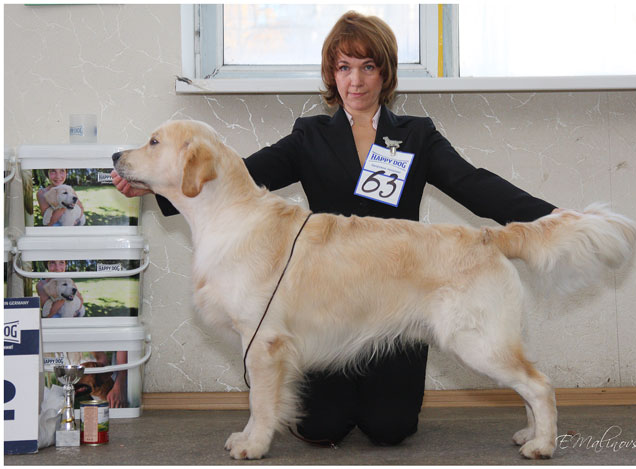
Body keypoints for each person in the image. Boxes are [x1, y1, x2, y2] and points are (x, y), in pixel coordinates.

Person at [112, 11, 557, 448]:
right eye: (344, 67)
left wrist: (548, 219)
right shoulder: (310, 135)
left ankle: (534, 409)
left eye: (368, 67)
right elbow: (236, 176)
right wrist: (154, 186)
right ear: (331, 74)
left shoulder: (416, 135)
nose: (355, 81)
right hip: (327, 314)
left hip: (397, 300)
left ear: (385, 73)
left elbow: (473, 184)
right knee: (321, 428)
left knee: (389, 429)